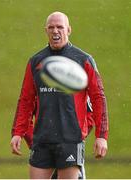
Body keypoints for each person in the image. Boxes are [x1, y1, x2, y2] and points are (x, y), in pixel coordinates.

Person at [10, 11, 109, 179]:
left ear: (68, 30)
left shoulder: (83, 60)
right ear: (46, 30)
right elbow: (26, 100)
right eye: (51, 27)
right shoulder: (35, 61)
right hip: (42, 139)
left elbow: (98, 98)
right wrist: (17, 132)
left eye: (60, 27)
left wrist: (101, 136)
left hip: (70, 140)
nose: (55, 31)